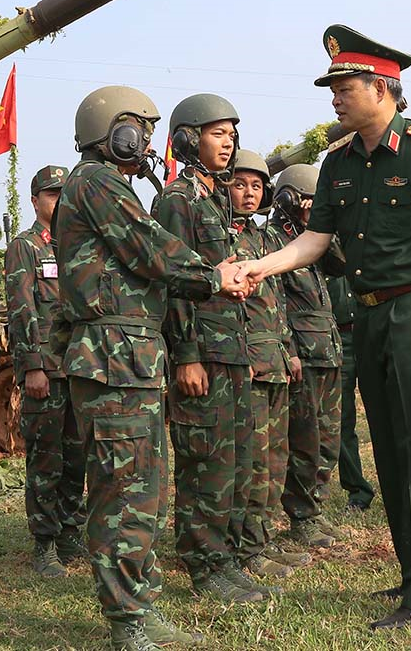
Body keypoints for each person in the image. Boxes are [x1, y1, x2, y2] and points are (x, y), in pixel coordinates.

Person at [238, 25, 411, 630]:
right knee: (394, 452)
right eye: (333, 87)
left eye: (343, 86)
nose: (334, 97)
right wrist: (258, 266)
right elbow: (316, 240)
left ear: (382, 88)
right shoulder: (338, 161)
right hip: (369, 315)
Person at [53, 86, 249, 650]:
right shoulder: (95, 183)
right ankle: (128, 621)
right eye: (139, 127)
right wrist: (215, 275)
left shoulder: (108, 185)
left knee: (141, 487)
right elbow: (148, 247)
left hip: (129, 358)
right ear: (113, 131)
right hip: (113, 357)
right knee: (123, 489)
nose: (145, 140)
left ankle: (138, 604)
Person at [154, 94, 269, 604]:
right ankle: (203, 564)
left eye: (231, 134)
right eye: (217, 133)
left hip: (234, 349)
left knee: (236, 462)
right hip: (204, 353)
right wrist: (187, 355)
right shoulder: (177, 199)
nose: (228, 142)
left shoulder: (214, 200)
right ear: (186, 139)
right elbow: (175, 283)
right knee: (205, 463)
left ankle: (224, 556)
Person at [4, 164, 87, 578]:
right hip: (46, 373)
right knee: (46, 459)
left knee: (78, 457)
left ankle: (72, 532)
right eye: (52, 195)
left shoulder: (78, 245)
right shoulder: (27, 247)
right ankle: (44, 542)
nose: (59, 201)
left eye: (64, 194)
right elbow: (21, 310)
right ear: (35, 200)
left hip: (79, 371)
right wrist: (32, 367)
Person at [229, 149, 307, 580]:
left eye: (256, 186)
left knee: (276, 457)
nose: (248, 192)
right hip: (248, 363)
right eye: (240, 184)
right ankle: (246, 547)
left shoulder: (266, 240)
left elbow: (278, 305)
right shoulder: (223, 236)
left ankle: (262, 537)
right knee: (252, 461)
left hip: (276, 359)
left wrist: (290, 349)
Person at [264, 164, 347, 548]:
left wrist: (326, 227)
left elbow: (342, 265)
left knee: (329, 438)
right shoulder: (274, 242)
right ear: (288, 201)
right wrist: (289, 351)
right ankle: (300, 516)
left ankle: (316, 507)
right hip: (303, 354)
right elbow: (276, 303)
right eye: (310, 202)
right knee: (305, 440)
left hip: (327, 350)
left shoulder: (313, 240)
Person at [327, 273, 376, 512]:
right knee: (342, 419)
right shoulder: (320, 243)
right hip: (337, 337)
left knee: (387, 414)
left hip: (372, 330)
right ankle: (357, 491)